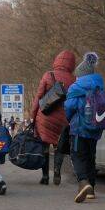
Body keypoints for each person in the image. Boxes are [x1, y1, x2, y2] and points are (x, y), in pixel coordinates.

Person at [64, 52, 105, 203]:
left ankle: (83, 183)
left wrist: (69, 120)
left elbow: (69, 107)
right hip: (94, 129)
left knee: (77, 156)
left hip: (78, 129)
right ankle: (91, 190)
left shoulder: (75, 88)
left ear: (80, 75)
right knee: (90, 157)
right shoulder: (99, 85)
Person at [31, 50, 76, 185]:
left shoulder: (48, 75)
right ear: (72, 64)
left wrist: (33, 116)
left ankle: (45, 176)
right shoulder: (74, 80)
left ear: (57, 61)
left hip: (45, 117)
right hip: (63, 120)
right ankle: (57, 172)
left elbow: (39, 97)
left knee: (44, 146)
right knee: (59, 147)